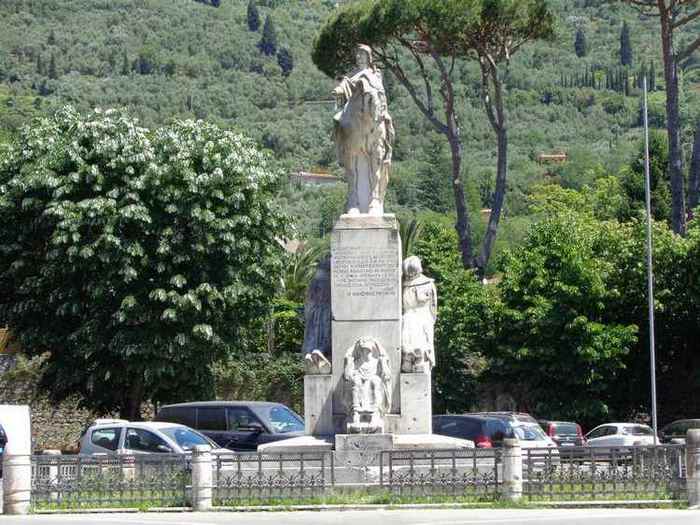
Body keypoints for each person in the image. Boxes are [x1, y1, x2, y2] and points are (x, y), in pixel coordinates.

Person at [332, 44, 394, 216]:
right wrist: (340, 90)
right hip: (355, 112)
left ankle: (375, 199)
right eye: (357, 54)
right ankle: (353, 199)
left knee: (384, 137)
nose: (359, 57)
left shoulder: (376, 74)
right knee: (340, 122)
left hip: (375, 114)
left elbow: (380, 94)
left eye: (362, 54)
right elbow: (344, 86)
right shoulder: (351, 75)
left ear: (368, 57)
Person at [401, 256, 437, 373]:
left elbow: (432, 307)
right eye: (408, 274)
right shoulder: (405, 285)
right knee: (407, 323)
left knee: (417, 327)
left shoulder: (427, 283)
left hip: (423, 315)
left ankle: (419, 358)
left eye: (411, 273)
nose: (410, 276)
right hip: (409, 315)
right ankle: (408, 357)